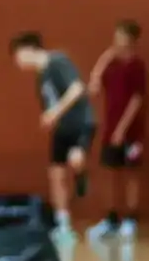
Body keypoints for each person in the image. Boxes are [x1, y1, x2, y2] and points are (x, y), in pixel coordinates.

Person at [10, 33, 94, 235]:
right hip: (61, 129)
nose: (18, 63)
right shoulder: (41, 76)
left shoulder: (58, 61)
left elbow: (77, 89)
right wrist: (49, 118)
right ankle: (63, 223)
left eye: (18, 57)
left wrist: (55, 112)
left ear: (28, 49)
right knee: (55, 174)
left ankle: (81, 173)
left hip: (80, 123)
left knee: (75, 160)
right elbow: (49, 104)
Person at [87, 20, 147, 239]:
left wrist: (122, 128)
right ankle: (111, 218)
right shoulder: (111, 66)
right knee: (111, 171)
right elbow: (93, 85)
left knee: (131, 172)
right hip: (109, 127)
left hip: (131, 131)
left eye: (120, 36)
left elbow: (137, 99)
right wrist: (105, 57)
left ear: (131, 40)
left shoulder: (137, 65)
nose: (116, 41)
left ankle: (131, 219)